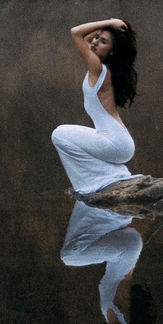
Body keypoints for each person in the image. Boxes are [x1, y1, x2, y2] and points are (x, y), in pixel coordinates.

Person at [60, 200, 159, 324]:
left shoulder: (119, 321)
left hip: (127, 248)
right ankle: (110, 210)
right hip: (125, 250)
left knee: (75, 252)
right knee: (71, 255)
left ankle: (104, 207)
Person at [51, 17, 137, 196]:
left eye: (103, 42)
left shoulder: (98, 69)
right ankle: (113, 175)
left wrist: (109, 22)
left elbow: (76, 33)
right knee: (64, 136)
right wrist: (107, 28)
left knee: (59, 134)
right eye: (96, 37)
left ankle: (101, 180)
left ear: (112, 52)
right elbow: (85, 38)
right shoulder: (103, 69)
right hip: (118, 143)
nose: (95, 42)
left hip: (115, 142)